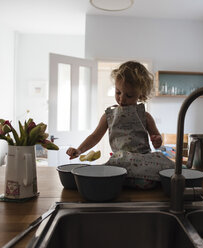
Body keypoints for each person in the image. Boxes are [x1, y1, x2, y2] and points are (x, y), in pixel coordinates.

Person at [66, 61, 174, 189]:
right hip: (122, 159)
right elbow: (95, 136)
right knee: (120, 160)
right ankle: (140, 180)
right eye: (118, 92)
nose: (122, 99)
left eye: (129, 95)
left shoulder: (145, 116)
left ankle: (130, 179)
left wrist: (157, 141)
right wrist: (79, 150)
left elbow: (157, 142)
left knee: (164, 160)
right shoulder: (109, 116)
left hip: (142, 159)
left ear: (141, 94)